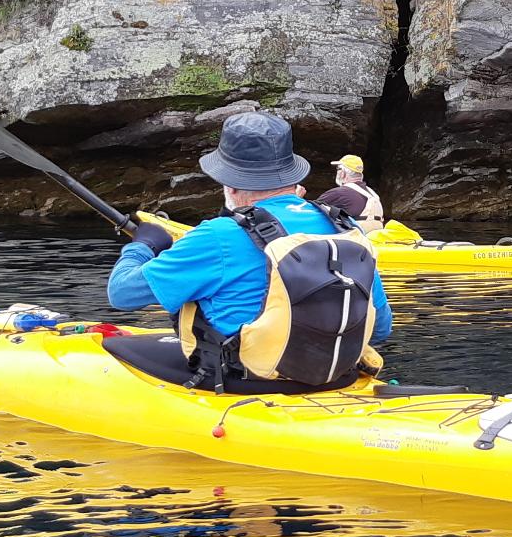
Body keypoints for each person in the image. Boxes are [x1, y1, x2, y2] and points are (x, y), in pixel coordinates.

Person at [107, 112, 392, 389]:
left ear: (229, 185)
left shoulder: (218, 235)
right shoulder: (345, 226)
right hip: (339, 378)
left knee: (112, 347)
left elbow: (121, 293)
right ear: (292, 176)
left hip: (248, 382)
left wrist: (142, 245)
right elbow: (380, 329)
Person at [316, 153, 385, 233]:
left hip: (354, 241)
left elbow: (310, 209)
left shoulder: (340, 193)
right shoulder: (374, 195)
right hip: (373, 242)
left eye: (338, 169)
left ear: (342, 173)